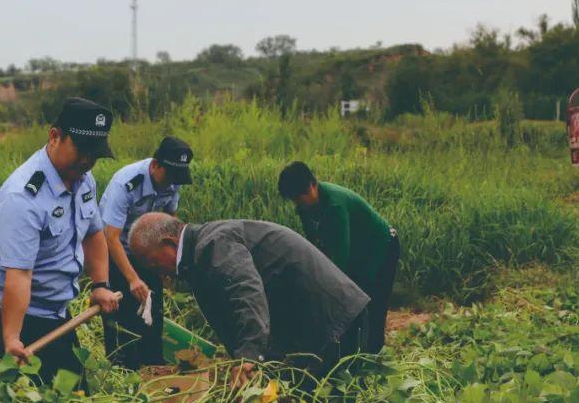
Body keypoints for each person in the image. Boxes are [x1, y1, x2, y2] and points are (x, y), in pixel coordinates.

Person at [0, 97, 122, 385]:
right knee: (42, 401)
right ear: (55, 136)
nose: (88, 160)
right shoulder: (23, 198)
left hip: (51, 307)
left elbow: (93, 233)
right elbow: (18, 275)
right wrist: (11, 338)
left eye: (95, 153)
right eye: (82, 150)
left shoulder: (83, 178)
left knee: (73, 389)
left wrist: (100, 285)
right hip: (6, 309)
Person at [127, 212, 371, 383]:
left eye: (154, 263)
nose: (157, 273)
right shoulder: (202, 250)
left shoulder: (213, 245)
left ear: (169, 243)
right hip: (321, 322)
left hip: (334, 321)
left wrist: (249, 356)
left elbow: (246, 292)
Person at [276, 161, 400, 354]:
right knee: (350, 299)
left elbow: (340, 259)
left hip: (382, 246)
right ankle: (350, 348)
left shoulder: (335, 206)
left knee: (371, 302)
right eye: (294, 200)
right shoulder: (304, 208)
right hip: (358, 250)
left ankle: (373, 355)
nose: (297, 204)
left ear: (311, 186)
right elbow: (315, 247)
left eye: (299, 198)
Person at [98, 136, 194, 368]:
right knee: (120, 312)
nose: (172, 183)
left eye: (176, 178)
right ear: (155, 165)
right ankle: (121, 367)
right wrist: (132, 279)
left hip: (146, 249)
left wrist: (171, 261)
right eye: (168, 176)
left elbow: (171, 219)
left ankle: (152, 365)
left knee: (153, 307)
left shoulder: (173, 180)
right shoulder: (126, 183)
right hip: (115, 250)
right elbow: (109, 237)